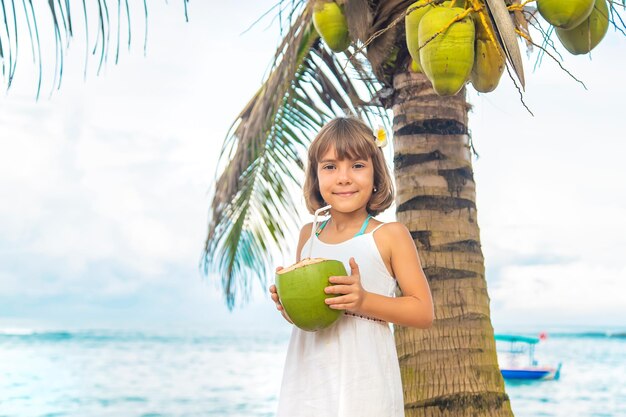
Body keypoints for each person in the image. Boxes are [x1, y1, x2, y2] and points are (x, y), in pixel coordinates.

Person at [269, 116, 434, 417]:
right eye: (330, 166)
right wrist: (290, 308)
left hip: (364, 382)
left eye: (357, 165)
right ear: (316, 175)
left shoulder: (389, 236)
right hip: (308, 379)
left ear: (376, 174)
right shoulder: (309, 234)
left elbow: (423, 312)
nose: (343, 177)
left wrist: (363, 300)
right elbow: (312, 316)